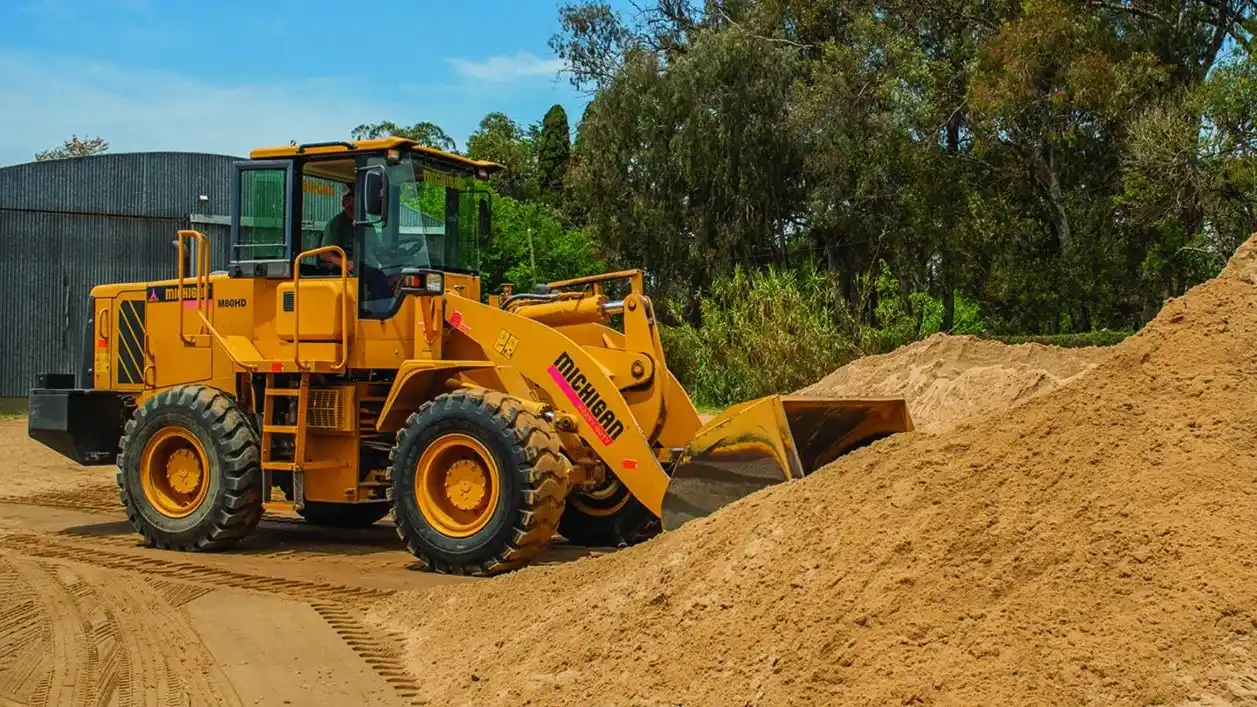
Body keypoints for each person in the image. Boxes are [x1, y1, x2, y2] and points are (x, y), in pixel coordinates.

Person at [319, 182, 391, 302]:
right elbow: (324, 254)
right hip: (351, 271)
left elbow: (379, 253)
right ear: (344, 201)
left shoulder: (367, 225)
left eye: (355, 196)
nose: (353, 201)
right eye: (350, 197)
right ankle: (383, 312)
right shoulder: (336, 225)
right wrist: (344, 263)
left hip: (369, 269)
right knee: (376, 276)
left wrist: (396, 258)